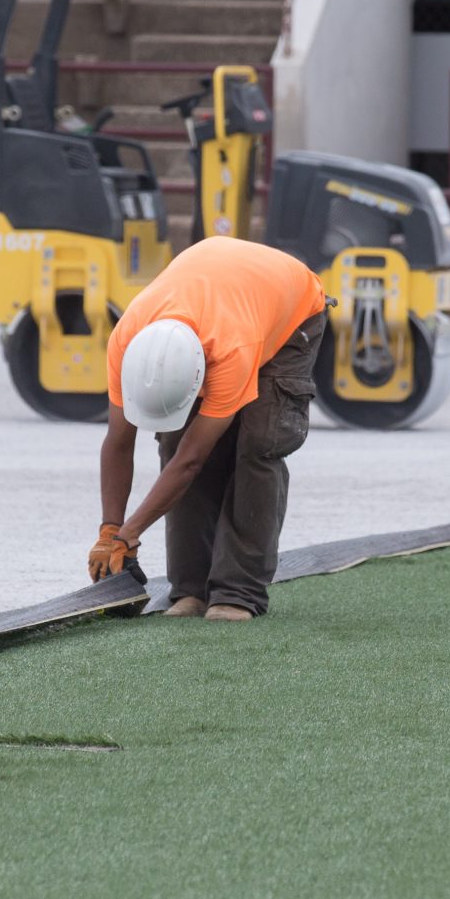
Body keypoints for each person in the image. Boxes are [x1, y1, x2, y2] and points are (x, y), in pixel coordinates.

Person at [87, 235, 327, 620]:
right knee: (175, 440)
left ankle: (238, 592)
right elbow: (118, 442)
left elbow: (191, 461)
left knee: (259, 442)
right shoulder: (126, 342)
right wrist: (109, 530)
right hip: (223, 298)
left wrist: (129, 534)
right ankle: (191, 590)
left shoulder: (232, 349)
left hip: (289, 312)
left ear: (199, 375)